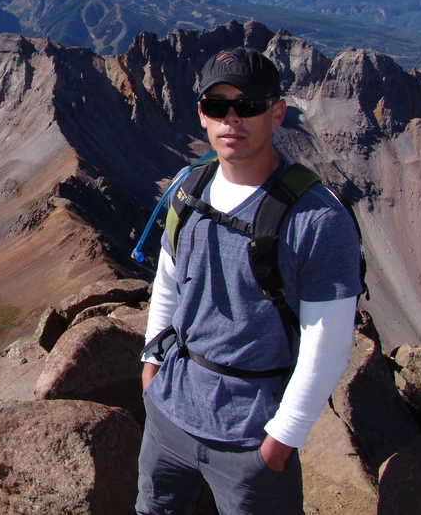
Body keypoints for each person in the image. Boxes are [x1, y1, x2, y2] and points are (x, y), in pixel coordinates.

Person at [136, 46, 362, 515]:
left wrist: (279, 444)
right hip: (170, 412)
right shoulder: (189, 189)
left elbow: (329, 342)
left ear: (277, 112)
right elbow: (168, 282)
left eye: (249, 105)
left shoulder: (318, 219)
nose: (231, 119)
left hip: (250, 438)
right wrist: (151, 369)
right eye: (218, 107)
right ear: (202, 115)